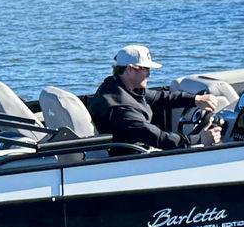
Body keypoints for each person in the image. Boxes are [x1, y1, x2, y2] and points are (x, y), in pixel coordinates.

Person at [87, 44, 222, 150]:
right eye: (146, 69)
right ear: (130, 69)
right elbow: (158, 138)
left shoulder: (116, 86)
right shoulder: (122, 109)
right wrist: (200, 140)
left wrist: (195, 100)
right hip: (130, 159)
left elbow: (158, 97)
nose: (149, 75)